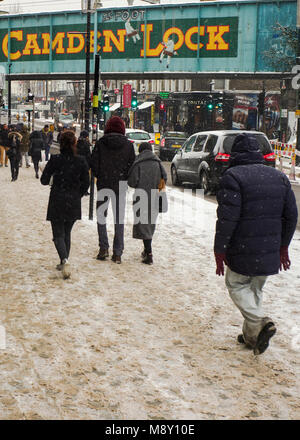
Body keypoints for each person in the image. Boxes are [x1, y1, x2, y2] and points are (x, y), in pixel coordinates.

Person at [214, 133, 298, 355]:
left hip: (242, 247)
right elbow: (291, 215)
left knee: (236, 285)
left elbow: (227, 219)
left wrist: (219, 250)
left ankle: (260, 322)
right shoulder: (279, 177)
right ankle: (252, 336)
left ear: (236, 154)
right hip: (268, 248)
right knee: (255, 289)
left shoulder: (232, 176)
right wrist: (283, 246)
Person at [41, 130, 89, 279]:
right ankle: (64, 261)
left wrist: (54, 178)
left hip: (57, 199)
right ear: (75, 143)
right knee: (66, 232)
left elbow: (44, 180)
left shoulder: (55, 160)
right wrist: (77, 194)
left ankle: (64, 260)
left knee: (58, 234)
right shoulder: (81, 161)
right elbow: (86, 183)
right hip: (73, 200)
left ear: (60, 143)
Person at [91, 116, 135, 264]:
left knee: (101, 217)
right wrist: (124, 177)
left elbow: (94, 163)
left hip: (104, 183)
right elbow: (132, 165)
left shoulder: (101, 143)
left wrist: (101, 175)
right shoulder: (128, 145)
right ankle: (117, 253)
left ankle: (103, 248)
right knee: (119, 219)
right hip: (120, 184)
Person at [128, 142, 167, 265]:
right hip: (155, 197)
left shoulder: (138, 163)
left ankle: (149, 253)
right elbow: (164, 178)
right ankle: (146, 251)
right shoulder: (158, 162)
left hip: (141, 197)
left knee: (143, 225)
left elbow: (132, 182)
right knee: (149, 225)